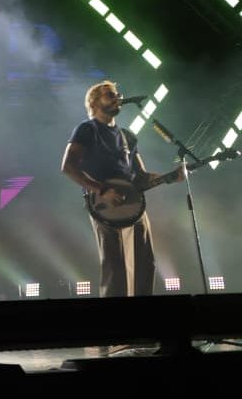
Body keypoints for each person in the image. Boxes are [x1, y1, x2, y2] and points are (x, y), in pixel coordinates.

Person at [60, 80, 180, 298]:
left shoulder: (127, 136)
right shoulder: (86, 129)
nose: (117, 97)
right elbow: (68, 167)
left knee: (145, 264)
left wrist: (170, 177)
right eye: (110, 94)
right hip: (104, 204)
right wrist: (101, 190)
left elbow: (141, 177)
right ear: (94, 103)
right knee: (115, 267)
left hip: (134, 204)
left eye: (117, 94)